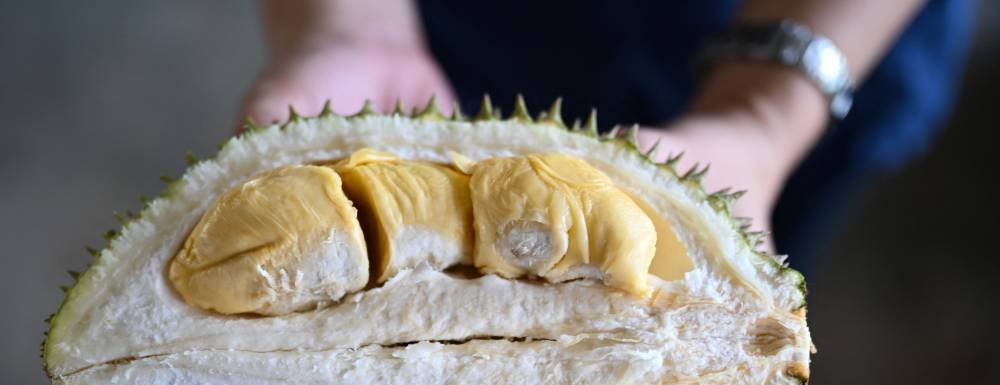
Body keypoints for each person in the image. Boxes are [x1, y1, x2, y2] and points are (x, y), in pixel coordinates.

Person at [240, 0, 972, 267]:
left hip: (831, 35)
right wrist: (347, 21)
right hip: (479, 21)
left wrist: (763, 120)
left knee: (737, 247)